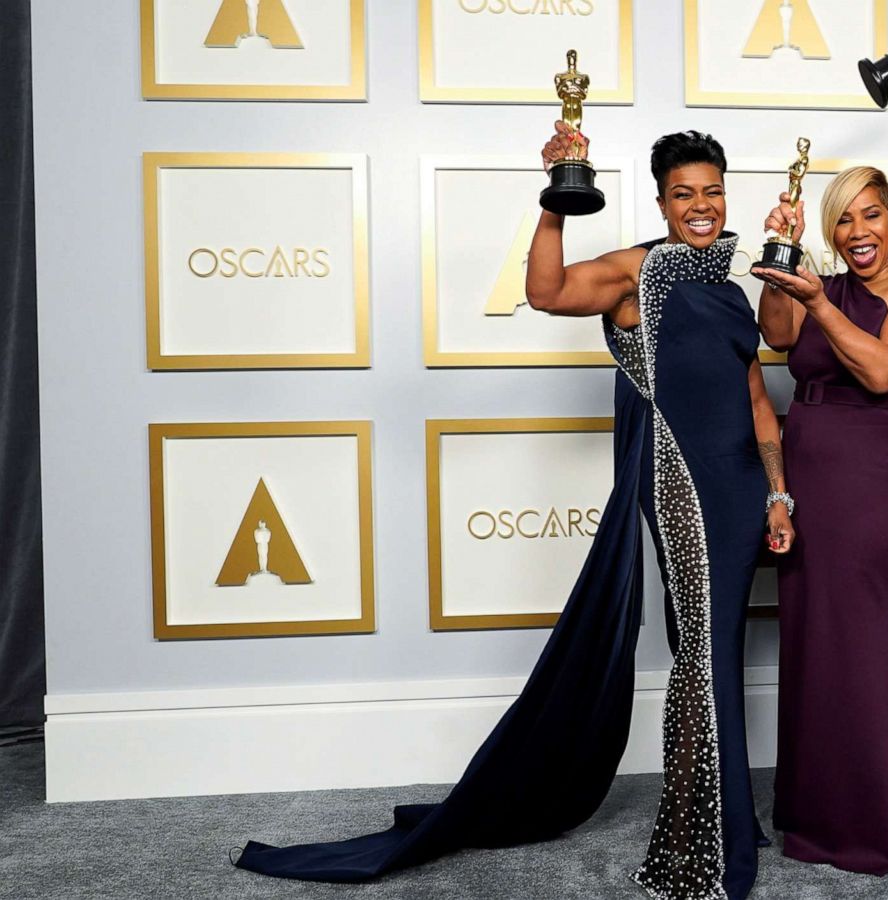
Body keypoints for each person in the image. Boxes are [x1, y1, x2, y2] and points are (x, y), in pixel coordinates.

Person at [233, 125, 795, 900]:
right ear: (663, 202)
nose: (701, 207)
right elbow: (546, 291)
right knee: (703, 654)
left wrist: (778, 490)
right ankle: (712, 840)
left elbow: (760, 399)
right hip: (677, 485)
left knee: (709, 652)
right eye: (683, 194)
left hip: (739, 490)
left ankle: (715, 811)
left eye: (712, 191)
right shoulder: (639, 274)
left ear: (726, 193)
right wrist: (556, 200)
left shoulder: (733, 287)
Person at [750, 167, 888, 874]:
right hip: (808, 475)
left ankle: (870, 822)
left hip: (875, 482)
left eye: (871, 215)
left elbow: (885, 372)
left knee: (861, 649)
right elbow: (777, 339)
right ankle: (810, 814)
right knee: (812, 642)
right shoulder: (819, 284)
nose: (858, 232)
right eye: (843, 220)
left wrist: (820, 303)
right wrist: (782, 266)